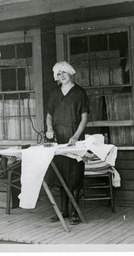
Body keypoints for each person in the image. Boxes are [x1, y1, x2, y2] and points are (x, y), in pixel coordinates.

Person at [45, 61, 90, 225]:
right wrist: (49, 129)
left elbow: (84, 118)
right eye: (58, 73)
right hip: (59, 141)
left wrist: (76, 136)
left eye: (64, 72)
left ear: (70, 72)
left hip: (74, 140)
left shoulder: (79, 93)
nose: (61, 76)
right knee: (61, 175)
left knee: (75, 175)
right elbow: (49, 115)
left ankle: (74, 212)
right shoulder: (54, 93)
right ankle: (63, 211)